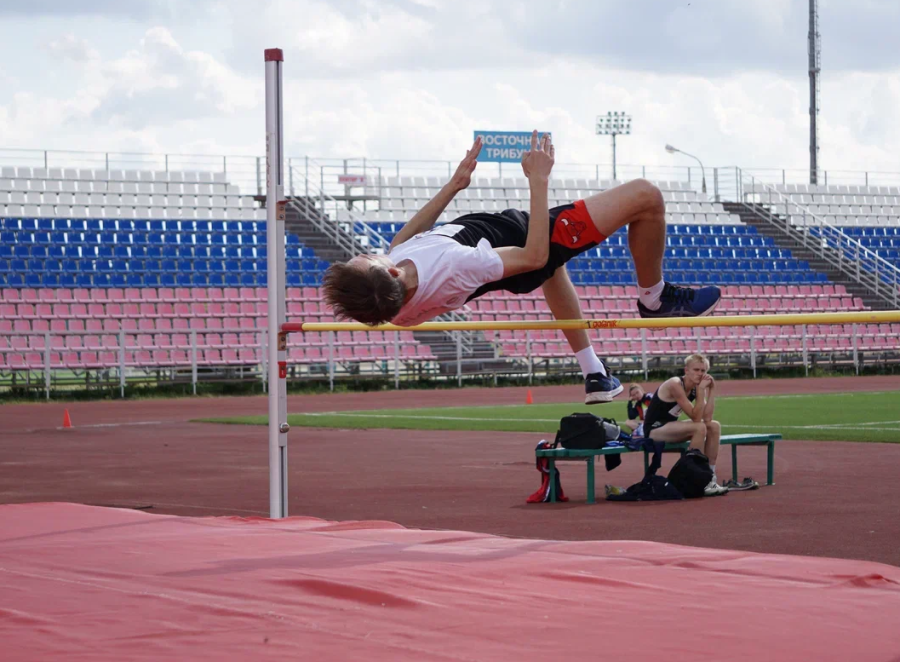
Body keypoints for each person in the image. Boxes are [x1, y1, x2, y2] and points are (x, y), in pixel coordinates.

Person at [322, 132, 722, 404]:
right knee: (646, 197)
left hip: (506, 238)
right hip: (528, 238)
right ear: (390, 273)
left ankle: (595, 373)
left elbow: (401, 243)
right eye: (365, 257)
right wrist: (538, 180)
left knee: (554, 272)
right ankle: (654, 298)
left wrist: (454, 186)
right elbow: (534, 257)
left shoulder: (395, 298)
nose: (369, 252)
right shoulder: (458, 266)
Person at [642, 353, 727, 496]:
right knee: (699, 428)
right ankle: (694, 477)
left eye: (703, 371)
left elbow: (707, 417)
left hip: (671, 427)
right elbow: (696, 417)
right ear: (686, 370)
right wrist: (701, 390)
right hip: (655, 429)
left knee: (714, 426)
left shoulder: (695, 387)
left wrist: (711, 390)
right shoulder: (675, 384)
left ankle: (710, 478)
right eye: (696, 370)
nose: (700, 374)